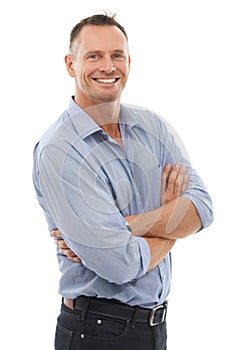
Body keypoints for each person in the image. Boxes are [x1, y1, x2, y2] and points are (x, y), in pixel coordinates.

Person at [32, 13, 213, 350]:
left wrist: (125, 228)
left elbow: (203, 207)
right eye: (94, 56)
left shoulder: (152, 127)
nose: (108, 66)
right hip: (97, 332)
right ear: (71, 65)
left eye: (117, 55)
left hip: (154, 327)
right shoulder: (61, 151)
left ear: (128, 62)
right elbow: (121, 264)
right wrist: (172, 222)